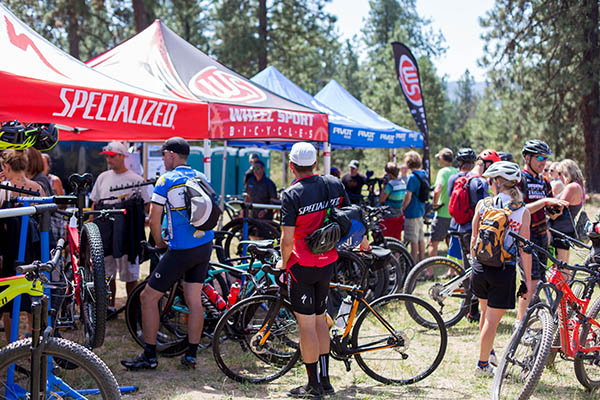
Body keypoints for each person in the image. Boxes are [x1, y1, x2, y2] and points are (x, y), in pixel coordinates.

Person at [121, 137, 214, 370]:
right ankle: (191, 355)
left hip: (181, 249)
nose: (163, 159)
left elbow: (154, 218)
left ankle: (150, 355)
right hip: (204, 244)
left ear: (172, 154)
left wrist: (160, 242)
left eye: (163, 155)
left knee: (148, 297)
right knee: (194, 300)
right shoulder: (200, 176)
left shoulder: (167, 180)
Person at [277, 142, 349, 398]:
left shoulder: (292, 194)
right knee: (320, 319)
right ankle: (326, 380)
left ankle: (312, 386)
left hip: (303, 265)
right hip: (328, 261)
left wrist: (283, 263)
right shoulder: (334, 183)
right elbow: (349, 215)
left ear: (292, 166)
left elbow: (287, 240)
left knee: (306, 326)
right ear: (316, 163)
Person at [470, 161, 532, 376]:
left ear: (497, 182)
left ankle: (489, 353)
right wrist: (527, 280)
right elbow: (525, 249)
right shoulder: (522, 211)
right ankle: (483, 365)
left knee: (485, 314)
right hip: (503, 270)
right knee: (492, 320)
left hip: (480, 266)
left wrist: (474, 264)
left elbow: (473, 239)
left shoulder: (483, 205)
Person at [89, 141, 150, 313]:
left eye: (112, 156)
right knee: (107, 271)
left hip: (127, 231)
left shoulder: (136, 180)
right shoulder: (102, 177)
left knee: (129, 271)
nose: (109, 160)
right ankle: (109, 306)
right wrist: (93, 224)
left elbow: (147, 205)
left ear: (123, 156)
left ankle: (133, 307)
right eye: (107, 157)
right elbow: (95, 203)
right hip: (105, 228)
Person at [516, 140, 568, 321]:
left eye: (545, 158)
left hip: (541, 234)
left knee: (540, 280)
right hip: (524, 236)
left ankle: (532, 319)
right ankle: (519, 322)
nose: (543, 162)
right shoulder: (519, 179)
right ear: (527, 157)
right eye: (539, 157)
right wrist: (545, 202)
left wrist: (555, 210)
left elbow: (547, 210)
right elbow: (519, 210)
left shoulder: (543, 181)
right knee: (529, 281)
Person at [551, 159, 585, 263]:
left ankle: (564, 280)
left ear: (566, 172)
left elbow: (557, 209)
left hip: (561, 230)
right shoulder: (578, 186)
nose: (559, 177)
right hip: (565, 229)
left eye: (560, 173)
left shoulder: (572, 187)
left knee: (561, 266)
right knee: (562, 264)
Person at [429, 148, 457, 257]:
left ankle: (429, 272)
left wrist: (434, 205)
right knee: (451, 242)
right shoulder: (456, 171)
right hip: (454, 214)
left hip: (442, 213)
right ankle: (453, 270)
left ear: (441, 159)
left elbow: (437, 190)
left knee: (433, 243)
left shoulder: (443, 172)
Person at [401, 151, 427, 262]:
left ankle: (413, 264)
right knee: (421, 238)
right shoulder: (423, 173)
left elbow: (408, 196)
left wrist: (403, 208)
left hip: (412, 212)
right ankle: (421, 262)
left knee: (413, 240)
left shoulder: (412, 177)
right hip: (421, 211)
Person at [379, 162, 407, 240]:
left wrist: (384, 185)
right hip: (399, 215)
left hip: (390, 216)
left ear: (390, 174)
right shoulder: (402, 183)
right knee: (397, 238)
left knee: (386, 238)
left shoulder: (390, 185)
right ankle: (397, 252)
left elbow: (381, 199)